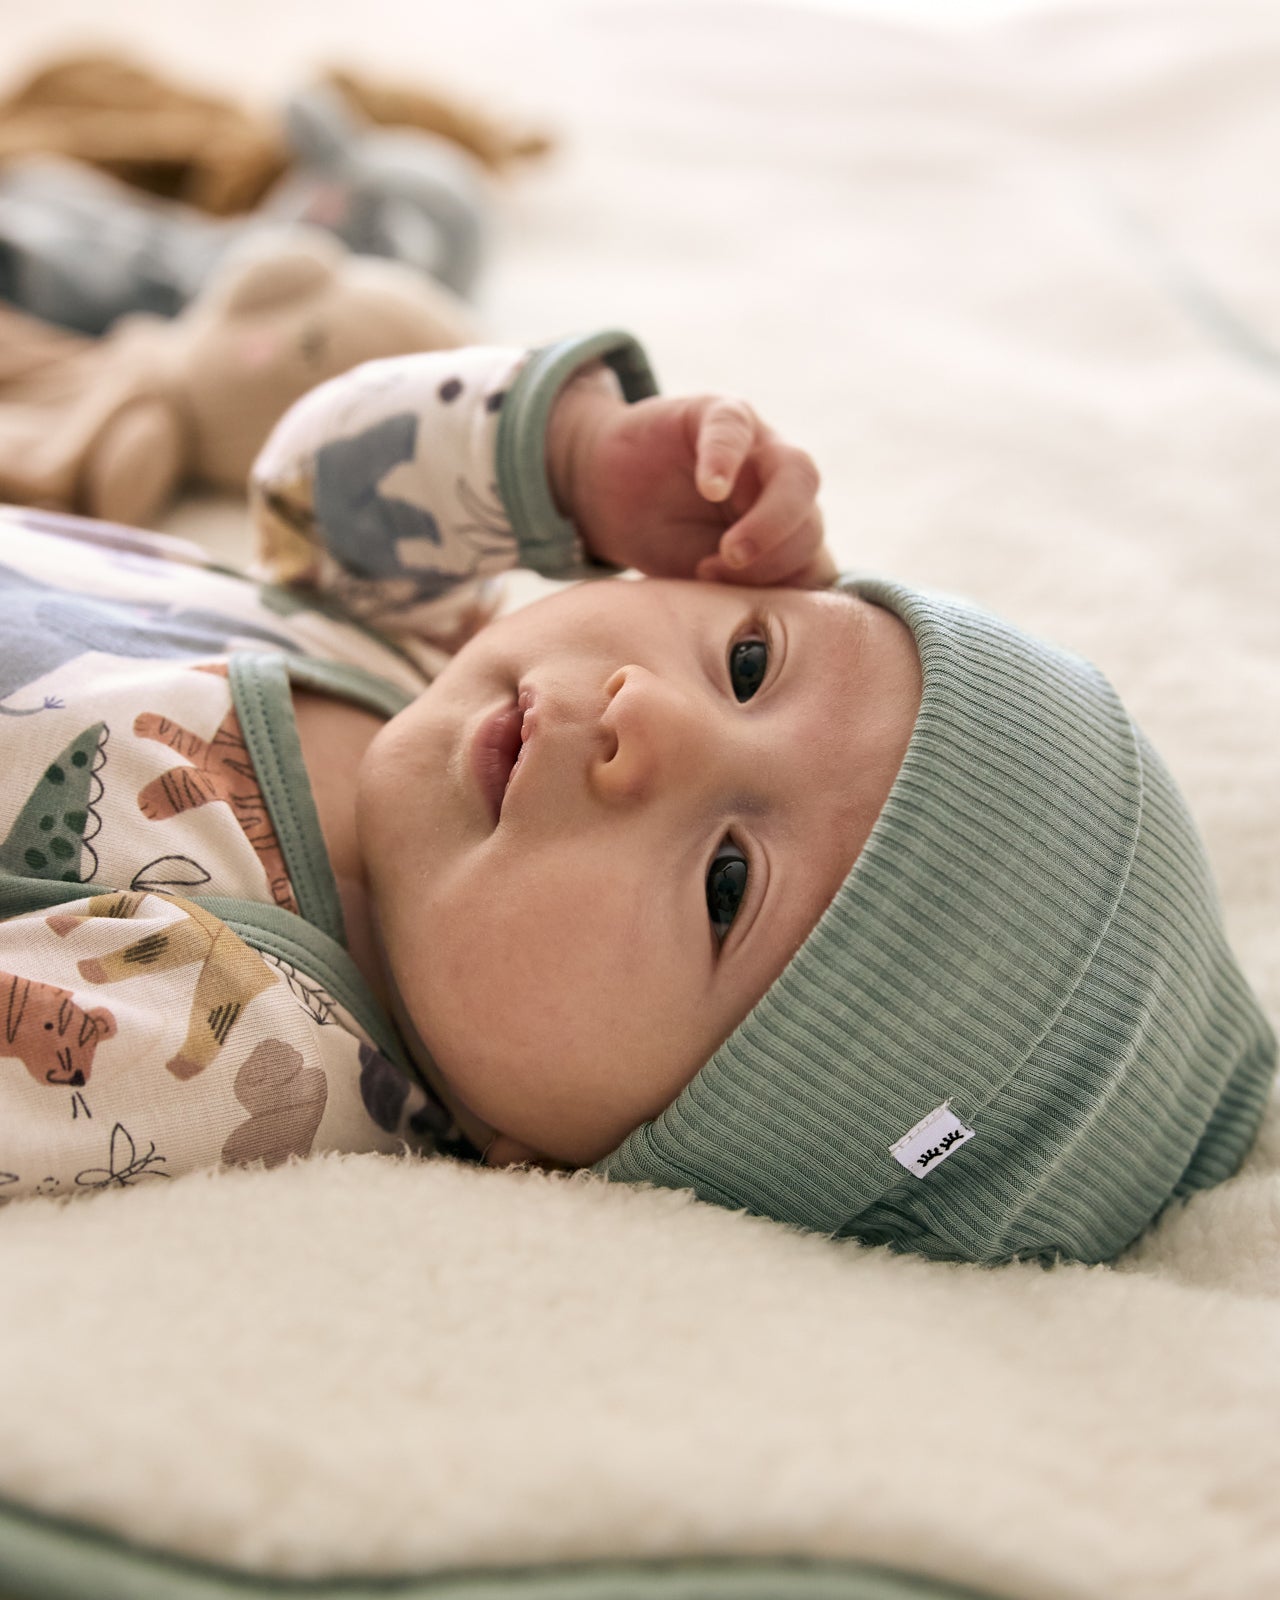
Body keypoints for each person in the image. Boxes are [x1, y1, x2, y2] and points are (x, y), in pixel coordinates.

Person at [0, 329, 1273, 1263]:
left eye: (728, 883)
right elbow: (304, 493)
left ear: (586, 1156)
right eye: (749, 661)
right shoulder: (410, 671)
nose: (644, 718)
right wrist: (569, 460)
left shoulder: (233, 1048)